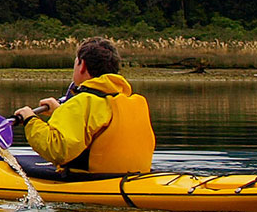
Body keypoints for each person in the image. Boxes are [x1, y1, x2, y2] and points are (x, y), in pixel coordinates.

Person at [13, 37, 154, 178]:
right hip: (135, 178)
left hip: (93, 181)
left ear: (82, 66)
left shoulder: (83, 102)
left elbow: (57, 150)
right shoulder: (134, 101)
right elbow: (95, 122)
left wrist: (29, 119)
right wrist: (60, 111)